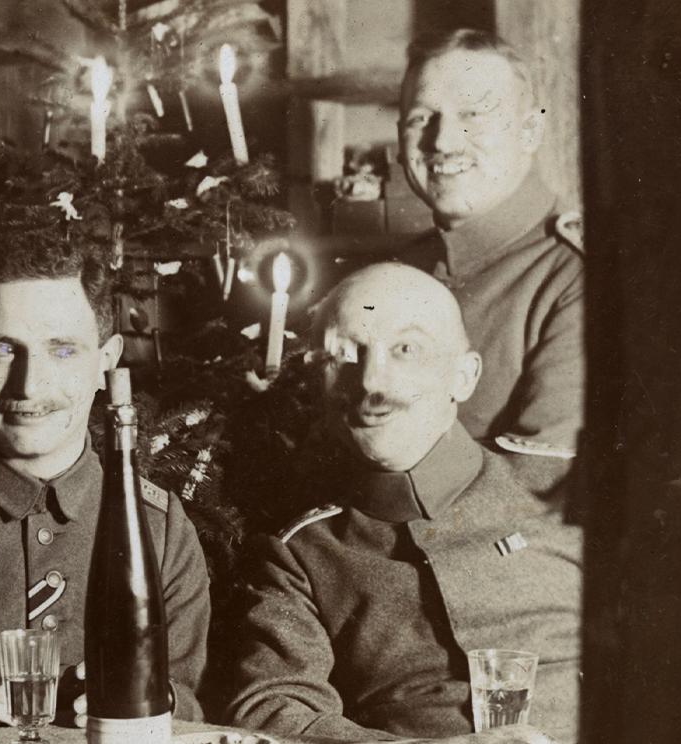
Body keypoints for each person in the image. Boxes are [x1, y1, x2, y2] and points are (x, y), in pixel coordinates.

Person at [221, 264, 583, 742]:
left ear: (464, 376)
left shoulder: (569, 491)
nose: (372, 382)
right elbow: (273, 710)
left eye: (405, 350)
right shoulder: (302, 555)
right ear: (315, 382)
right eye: (345, 354)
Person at [0, 237, 213, 733]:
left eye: (62, 350)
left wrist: (156, 699)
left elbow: (188, 696)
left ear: (107, 360)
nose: (29, 385)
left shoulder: (161, 527)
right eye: (3, 350)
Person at [391, 28, 585, 492]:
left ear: (530, 130)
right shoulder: (401, 273)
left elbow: (542, 489)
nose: (442, 142)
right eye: (421, 118)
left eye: (474, 115)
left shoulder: (576, 278)